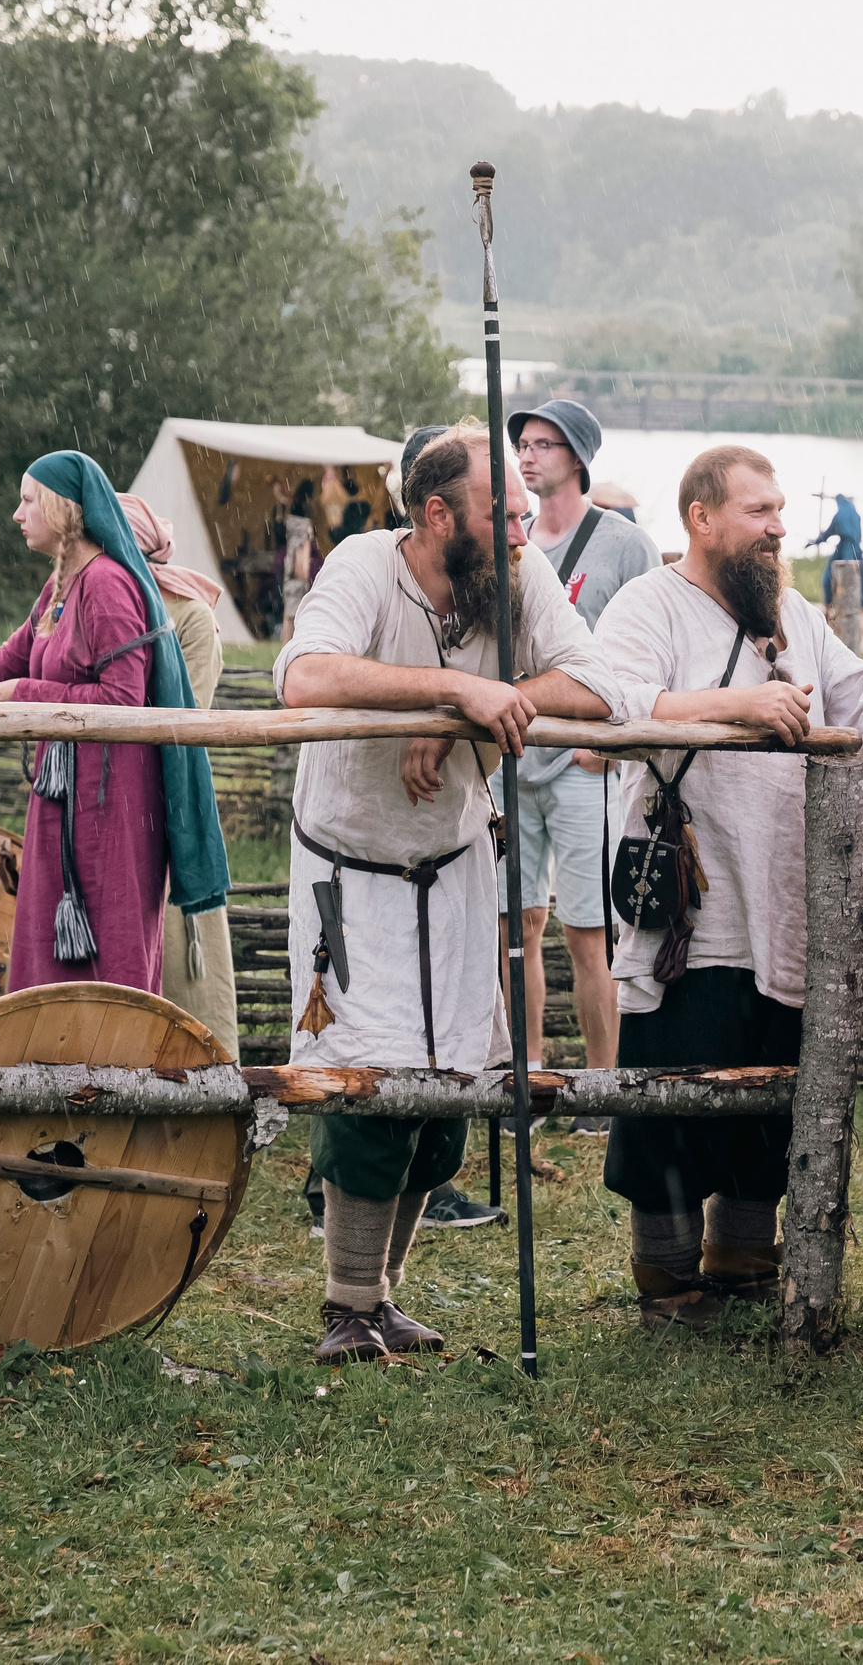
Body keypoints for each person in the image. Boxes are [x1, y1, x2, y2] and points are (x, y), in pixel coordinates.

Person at [275, 427, 626, 1362]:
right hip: (355, 874)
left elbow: (601, 681)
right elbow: (303, 676)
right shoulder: (360, 564)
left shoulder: (516, 572)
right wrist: (442, 692)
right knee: (370, 1088)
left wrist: (484, 696)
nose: (522, 528)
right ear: (437, 516)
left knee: (446, 1095)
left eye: (522, 512)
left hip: (457, 866)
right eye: (501, 513)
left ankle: (380, 1297)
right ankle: (347, 1302)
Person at [591, 445, 863, 1328]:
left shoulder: (793, 613)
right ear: (701, 518)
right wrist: (736, 706)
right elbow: (612, 703)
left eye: (780, 509)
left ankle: (743, 1252)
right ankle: (665, 1271)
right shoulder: (648, 604)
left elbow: (860, 704)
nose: (779, 526)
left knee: (772, 1063)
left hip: (782, 890)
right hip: (694, 901)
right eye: (758, 511)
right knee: (676, 1079)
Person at [0, 453, 228, 997]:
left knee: (110, 953)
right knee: (49, 948)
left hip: (113, 806)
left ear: (64, 510)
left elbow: (124, 700)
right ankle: (56, 1077)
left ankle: (114, 1079)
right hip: (63, 796)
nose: (17, 514)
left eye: (28, 500)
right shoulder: (62, 585)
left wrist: (28, 696)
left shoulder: (107, 585)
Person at [508, 398, 659, 1101]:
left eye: (545, 444)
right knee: (521, 924)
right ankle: (529, 1075)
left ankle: (604, 1088)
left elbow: (654, 643)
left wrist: (616, 746)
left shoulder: (622, 543)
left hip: (582, 763)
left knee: (588, 931)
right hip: (516, 756)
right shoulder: (513, 538)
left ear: (578, 457)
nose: (529, 455)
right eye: (525, 444)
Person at [119, 493, 241, 1059]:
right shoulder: (87, 606)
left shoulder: (189, 618)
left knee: (184, 967)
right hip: (107, 807)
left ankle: (199, 1084)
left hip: (167, 799)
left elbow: (181, 721)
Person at [805, 492, 863, 652]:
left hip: (847, 550)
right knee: (849, 580)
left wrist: (815, 542)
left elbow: (827, 533)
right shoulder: (856, 515)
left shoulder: (840, 515)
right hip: (853, 550)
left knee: (838, 580)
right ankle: (837, 610)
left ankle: (833, 611)